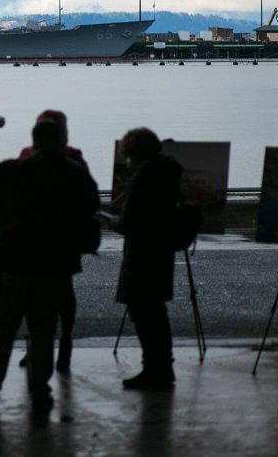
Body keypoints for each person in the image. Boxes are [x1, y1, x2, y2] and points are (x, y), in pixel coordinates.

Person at [0, 119, 99, 417]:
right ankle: (40, 391)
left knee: (1, 330)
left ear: (34, 141)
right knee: (42, 332)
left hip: (11, 264)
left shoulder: (16, 170)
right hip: (54, 266)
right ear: (63, 140)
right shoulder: (75, 175)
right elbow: (90, 205)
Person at [17, 109, 90, 373]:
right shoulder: (74, 158)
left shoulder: (26, 155)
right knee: (63, 292)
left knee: (33, 296)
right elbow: (88, 196)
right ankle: (62, 345)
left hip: (33, 236)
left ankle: (36, 347)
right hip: (64, 237)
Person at [113, 127, 183, 390]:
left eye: (128, 156)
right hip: (160, 251)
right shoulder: (167, 171)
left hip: (142, 254)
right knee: (155, 312)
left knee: (144, 313)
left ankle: (155, 369)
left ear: (135, 153)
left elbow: (131, 222)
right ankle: (162, 367)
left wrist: (114, 222)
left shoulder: (144, 175)